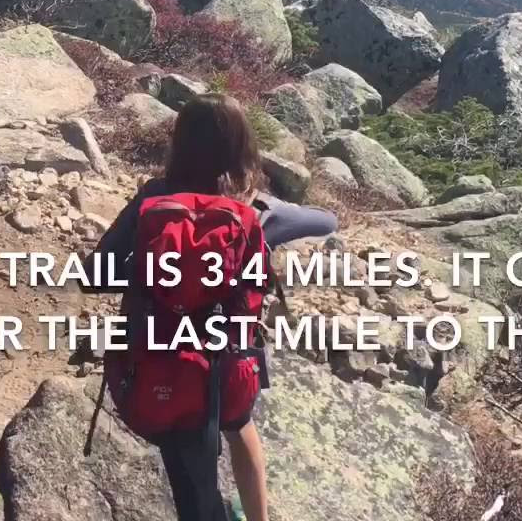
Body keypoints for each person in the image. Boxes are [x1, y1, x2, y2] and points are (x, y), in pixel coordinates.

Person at [89, 93, 337, 521]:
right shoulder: (255, 210)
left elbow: (95, 274)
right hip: (230, 363)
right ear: (241, 147)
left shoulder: (154, 199)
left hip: (164, 361)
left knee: (193, 484)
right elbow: (325, 221)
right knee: (241, 427)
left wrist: (155, 282)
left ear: (179, 142)